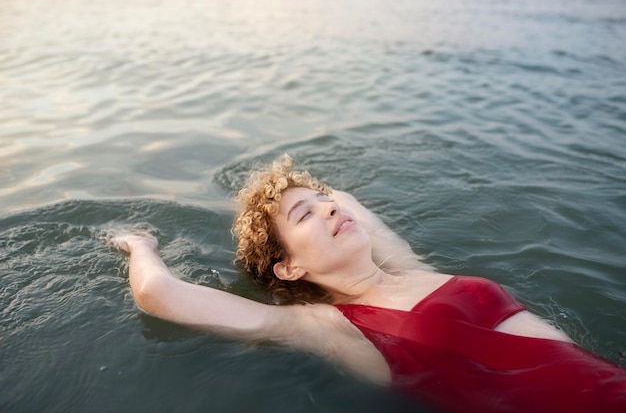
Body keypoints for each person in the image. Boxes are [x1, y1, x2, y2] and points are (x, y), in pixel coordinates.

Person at [111, 154, 626, 413]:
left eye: (323, 202)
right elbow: (159, 295)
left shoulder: (406, 266)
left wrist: (287, 194)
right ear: (290, 269)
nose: (329, 207)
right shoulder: (325, 325)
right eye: (304, 215)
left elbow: (343, 199)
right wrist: (141, 246)